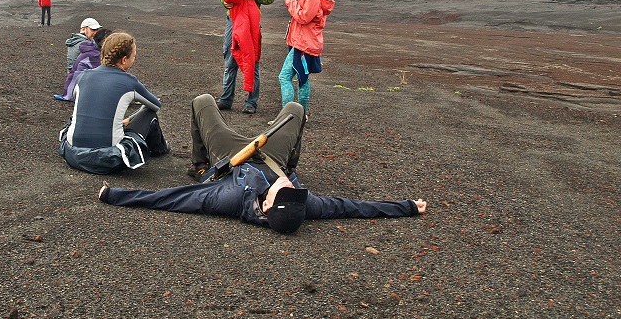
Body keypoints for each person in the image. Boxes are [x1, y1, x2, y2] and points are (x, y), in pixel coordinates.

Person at [99, 94, 426, 233]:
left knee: (202, 102)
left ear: (266, 207)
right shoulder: (304, 204)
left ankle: (199, 164)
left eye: (283, 194)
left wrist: (115, 195)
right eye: (294, 192)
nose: (290, 188)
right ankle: (291, 159)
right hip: (272, 154)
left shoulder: (225, 198)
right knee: (296, 110)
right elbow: (352, 207)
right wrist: (407, 206)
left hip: (231, 157)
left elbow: (173, 199)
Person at [59, 32, 168, 174]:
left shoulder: (84, 76)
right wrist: (130, 118)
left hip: (72, 153)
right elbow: (155, 105)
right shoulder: (130, 81)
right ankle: (161, 149)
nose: (134, 59)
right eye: (133, 56)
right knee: (149, 113)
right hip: (108, 159)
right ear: (124, 60)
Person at [218, 0, 274, 114]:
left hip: (251, 23)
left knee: (252, 60)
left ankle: (251, 103)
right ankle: (226, 100)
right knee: (230, 60)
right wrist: (225, 3)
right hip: (232, 22)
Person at [277, 0, 335, 121]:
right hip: (307, 43)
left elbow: (303, 17)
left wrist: (291, 3)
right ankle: (300, 116)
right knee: (303, 78)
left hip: (303, 45)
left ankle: (286, 118)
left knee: (284, 77)